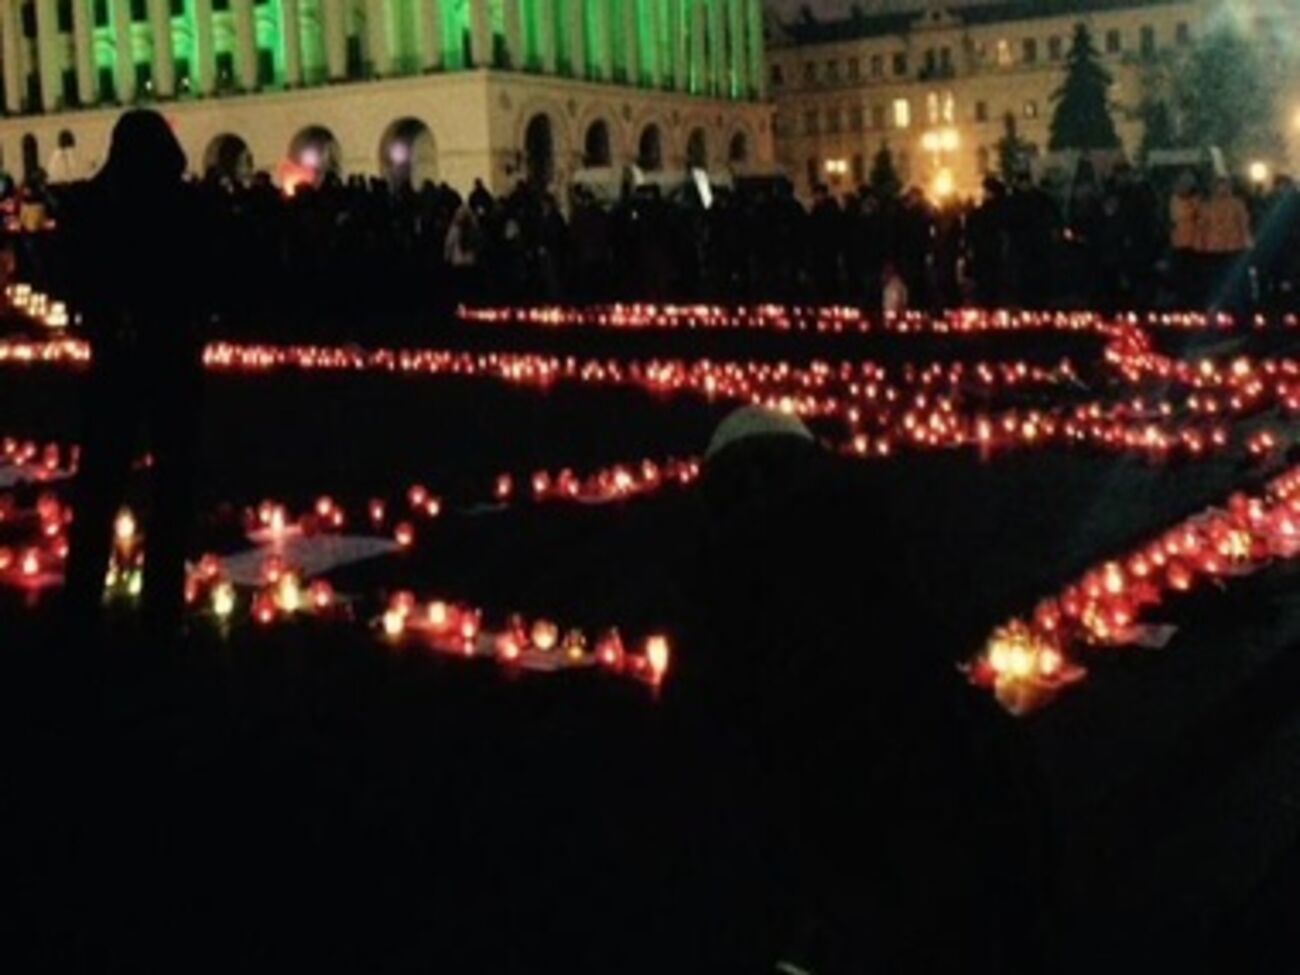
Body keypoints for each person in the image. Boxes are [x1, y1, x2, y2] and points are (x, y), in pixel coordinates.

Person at [60, 109, 217, 641]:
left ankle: (81, 602)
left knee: (100, 485)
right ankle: (161, 609)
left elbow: (73, 278)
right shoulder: (180, 206)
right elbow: (206, 276)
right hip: (169, 359)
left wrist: (104, 320)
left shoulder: (92, 206)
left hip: (115, 362)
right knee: (171, 488)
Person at [1196, 176, 1253, 314]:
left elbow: (1243, 224)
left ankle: (1234, 304)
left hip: (1233, 246)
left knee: (1232, 276)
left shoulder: (1237, 204)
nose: (1223, 189)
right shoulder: (1208, 205)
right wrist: (1199, 244)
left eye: (1226, 186)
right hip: (1214, 248)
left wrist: (1247, 242)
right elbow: (1202, 226)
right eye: (1220, 186)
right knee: (1217, 277)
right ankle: (1218, 303)